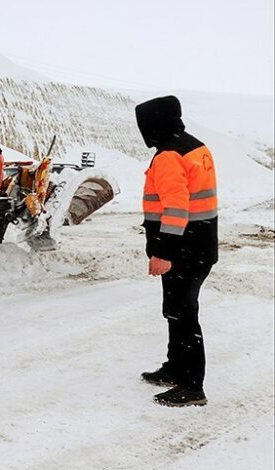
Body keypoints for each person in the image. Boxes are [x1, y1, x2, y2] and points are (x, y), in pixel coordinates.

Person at [135, 95, 218, 407]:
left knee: (183, 314)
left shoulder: (170, 155)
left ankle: (192, 386)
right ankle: (175, 368)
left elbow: (175, 208)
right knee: (177, 309)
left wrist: (163, 253)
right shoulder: (195, 147)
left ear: (154, 123)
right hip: (200, 244)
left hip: (182, 249)